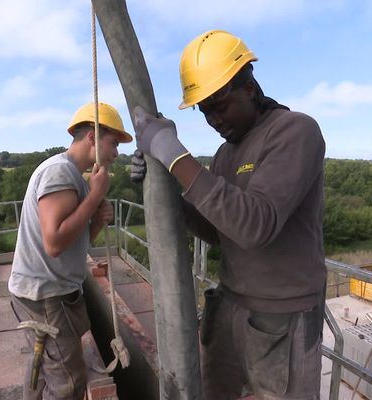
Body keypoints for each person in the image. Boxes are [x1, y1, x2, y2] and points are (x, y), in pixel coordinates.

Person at [131, 30, 326, 400]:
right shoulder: (226, 153)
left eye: (220, 105)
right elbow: (222, 230)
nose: (213, 119)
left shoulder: (295, 131)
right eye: (204, 110)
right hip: (231, 305)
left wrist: (174, 155)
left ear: (250, 88)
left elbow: (255, 225)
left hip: (282, 318)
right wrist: (171, 194)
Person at [8, 102, 132, 400]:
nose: (117, 152)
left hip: (45, 291)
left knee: (42, 366)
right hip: (46, 295)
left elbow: (74, 244)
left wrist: (97, 221)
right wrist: (95, 196)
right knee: (68, 382)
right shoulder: (59, 172)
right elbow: (54, 243)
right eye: (114, 142)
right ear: (92, 136)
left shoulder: (73, 175)